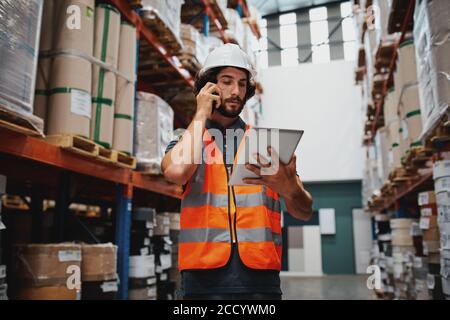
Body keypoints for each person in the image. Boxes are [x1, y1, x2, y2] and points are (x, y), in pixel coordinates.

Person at [161, 44, 313, 300]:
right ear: (208, 87)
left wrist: (291, 190)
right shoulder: (187, 140)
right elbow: (176, 171)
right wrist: (200, 114)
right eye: (227, 82)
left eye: (242, 84)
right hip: (202, 282)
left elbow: (304, 210)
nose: (236, 91)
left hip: (260, 283)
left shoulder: (266, 144)